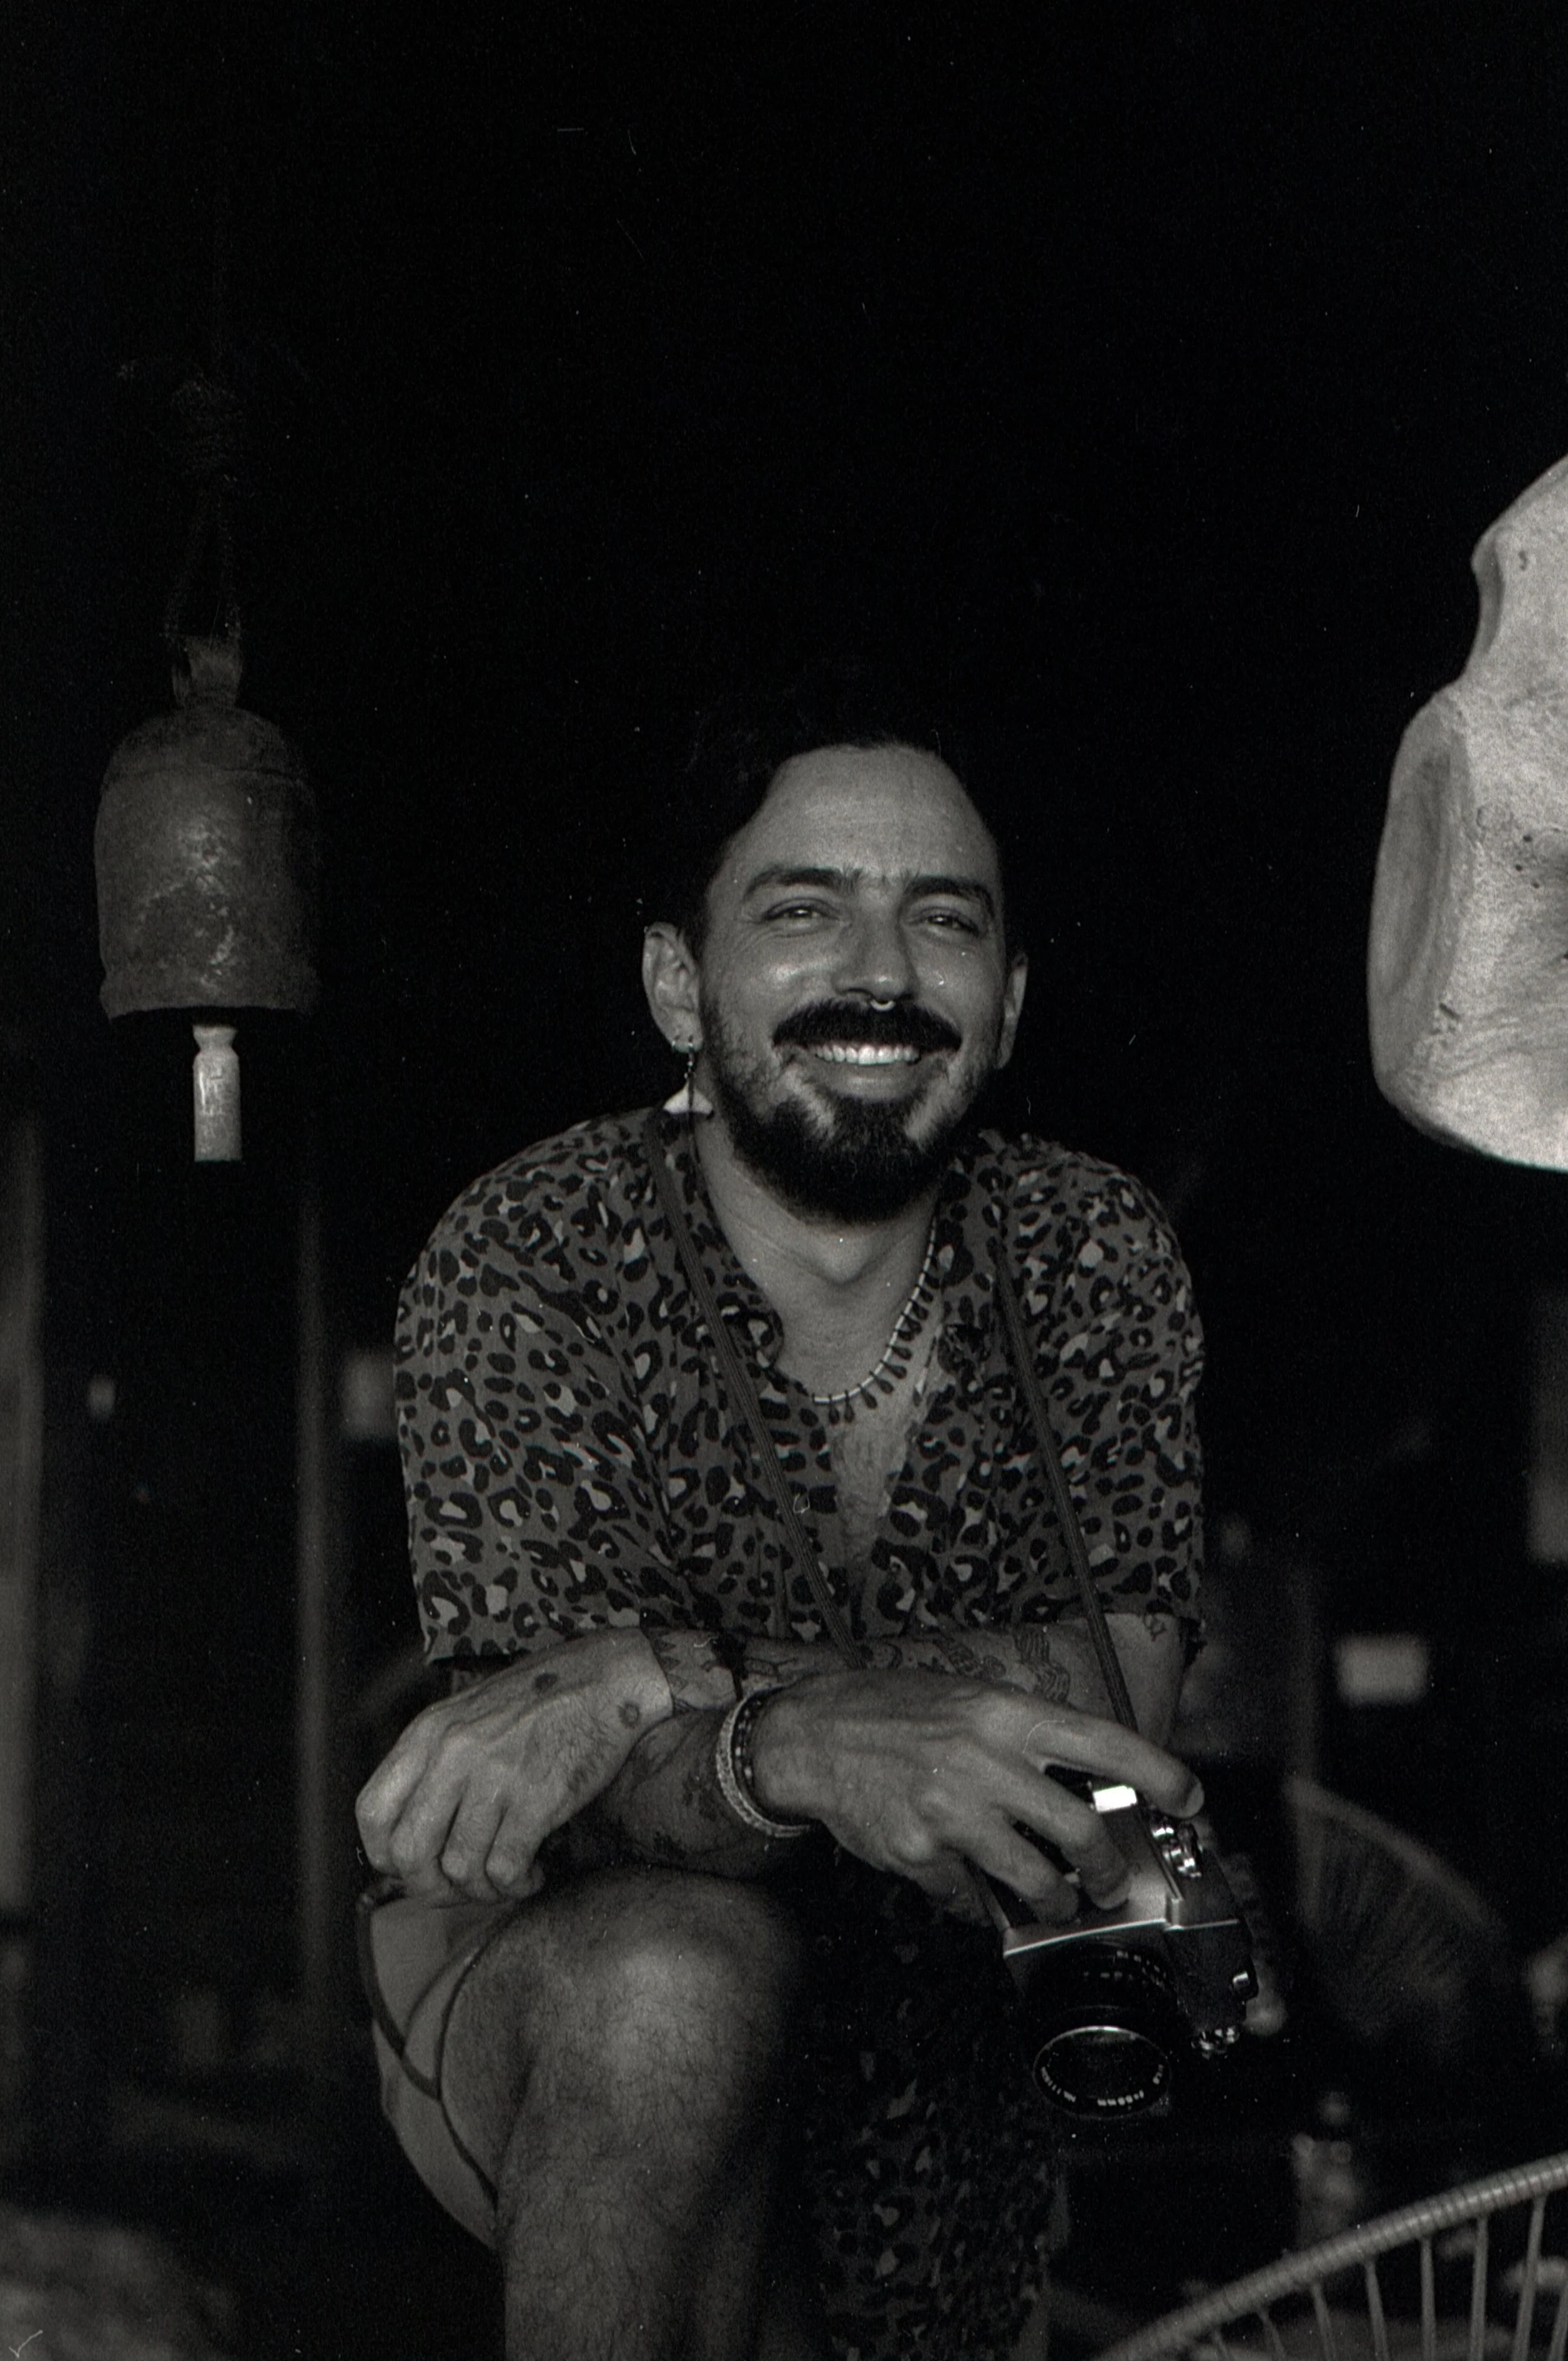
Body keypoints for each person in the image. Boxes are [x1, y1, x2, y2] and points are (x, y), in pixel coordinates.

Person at [356, 698, 1208, 2361]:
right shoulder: (532, 1248)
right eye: (805, 907)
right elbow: (574, 1803)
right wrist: (802, 1740)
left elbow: (1113, 1727)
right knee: (673, 1979)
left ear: (1008, 998)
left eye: (943, 917)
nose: (881, 968)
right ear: (680, 983)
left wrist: (668, 1676)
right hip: (563, 1996)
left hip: (952, 2071)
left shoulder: (1085, 1248)